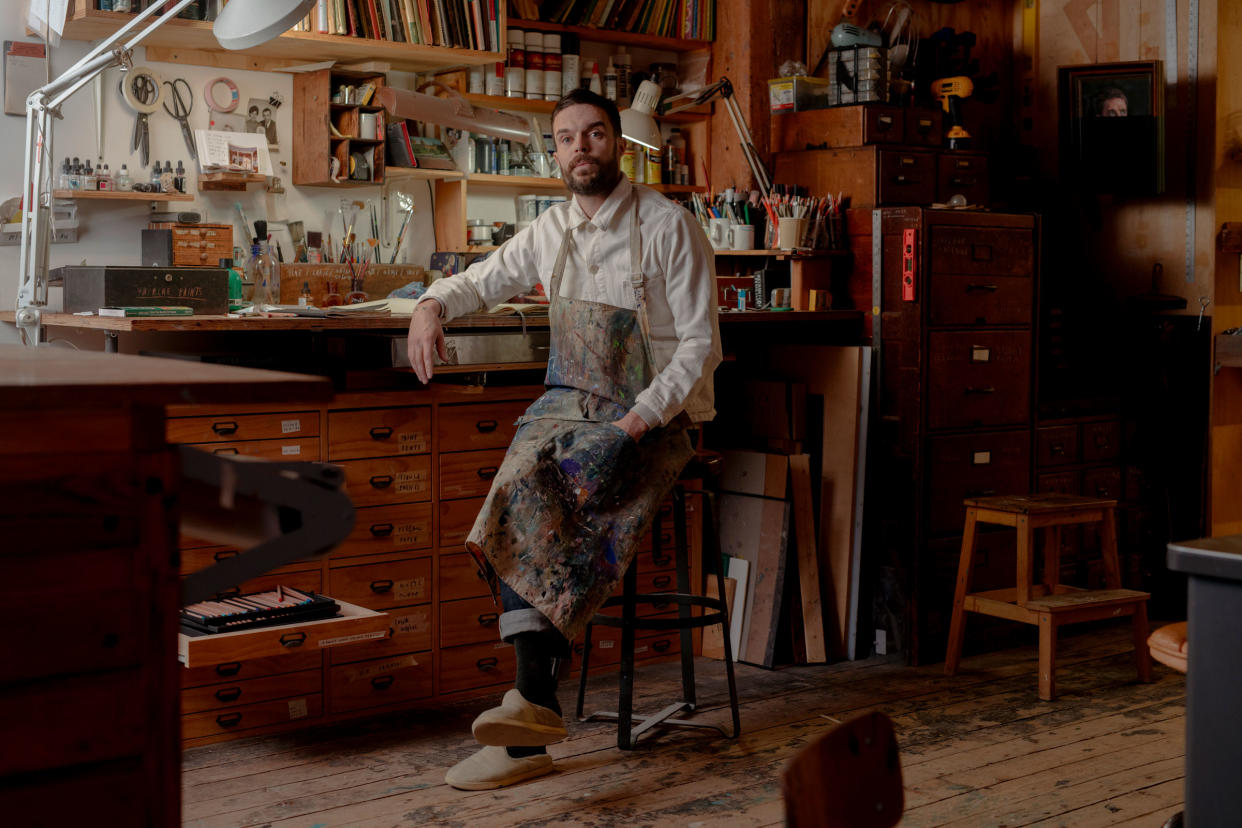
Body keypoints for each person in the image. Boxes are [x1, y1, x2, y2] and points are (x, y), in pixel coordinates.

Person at [406, 88, 721, 791]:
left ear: (619, 144)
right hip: (570, 404)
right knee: (517, 489)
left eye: (596, 134)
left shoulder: (669, 228)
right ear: (555, 152)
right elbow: (481, 281)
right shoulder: (551, 231)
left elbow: (698, 348)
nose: (582, 147)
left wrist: (635, 423)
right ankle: (533, 712)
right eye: (568, 137)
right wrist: (430, 305)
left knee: (563, 491)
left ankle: (530, 717)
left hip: (658, 417)